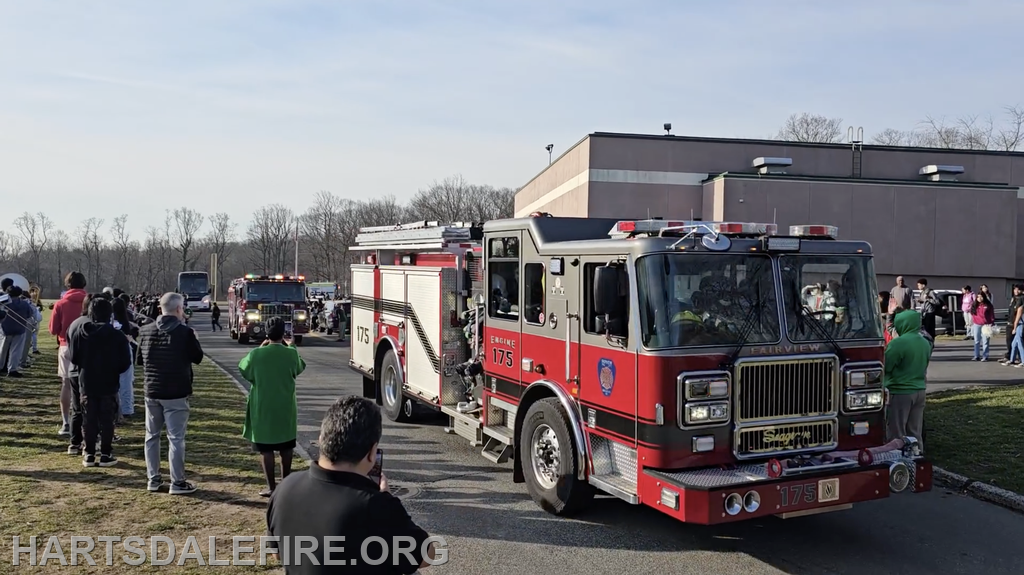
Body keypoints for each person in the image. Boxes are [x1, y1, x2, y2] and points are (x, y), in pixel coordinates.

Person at [265, 396, 437, 573]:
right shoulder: (376, 505)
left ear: (321, 440)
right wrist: (387, 500)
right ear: (372, 453)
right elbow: (427, 556)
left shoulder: (284, 489)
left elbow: (277, 554)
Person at [137, 292, 204, 494]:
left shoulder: (146, 330)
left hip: (152, 389)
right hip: (176, 391)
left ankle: (153, 478)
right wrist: (195, 339)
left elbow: (140, 360)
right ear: (178, 309)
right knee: (175, 439)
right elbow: (198, 357)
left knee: (152, 436)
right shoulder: (185, 333)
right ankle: (177, 481)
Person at [238, 317, 305, 497]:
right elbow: (298, 368)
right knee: (286, 448)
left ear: (266, 334)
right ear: (283, 334)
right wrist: (291, 346)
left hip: (263, 406)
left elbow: (244, 369)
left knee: (265, 448)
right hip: (285, 406)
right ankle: (286, 485)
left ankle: (271, 487)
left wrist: (260, 348)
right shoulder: (290, 353)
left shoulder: (256, 355)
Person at [68, 298, 131, 467]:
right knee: (107, 418)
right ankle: (105, 452)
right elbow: (126, 361)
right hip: (108, 379)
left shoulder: (80, 333)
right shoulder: (116, 335)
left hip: (87, 378)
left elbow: (73, 357)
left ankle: (88, 452)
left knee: (88, 416)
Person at [884, 310, 931, 452]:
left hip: (900, 392)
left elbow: (886, 366)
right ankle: (916, 456)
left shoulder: (898, 343)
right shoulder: (925, 342)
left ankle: (897, 460)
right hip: (919, 390)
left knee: (897, 431)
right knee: (915, 431)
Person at [49, 272, 89, 435]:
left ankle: (66, 422)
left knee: (66, 383)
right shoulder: (90, 301)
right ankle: (87, 421)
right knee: (87, 386)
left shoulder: (61, 303)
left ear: (67, 285)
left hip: (66, 345)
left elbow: (53, 329)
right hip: (89, 345)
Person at [112, 298, 140, 423]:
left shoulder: (111, 319)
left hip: (112, 349)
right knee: (126, 381)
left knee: (114, 382)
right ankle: (127, 408)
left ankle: (116, 408)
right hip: (125, 349)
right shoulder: (126, 318)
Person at [1, 286, 33, 378]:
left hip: (5, 329)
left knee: (2, 350)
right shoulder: (24, 304)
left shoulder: (4, 303)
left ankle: (1, 366)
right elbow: (29, 314)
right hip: (20, 328)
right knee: (16, 350)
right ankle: (12, 369)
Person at [970, 291, 997, 361]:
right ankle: (976, 355)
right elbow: (972, 313)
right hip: (977, 324)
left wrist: (992, 322)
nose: (979, 298)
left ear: (984, 297)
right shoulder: (974, 305)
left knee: (985, 341)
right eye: (978, 297)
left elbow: (992, 315)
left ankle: (985, 356)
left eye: (981, 297)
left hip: (986, 325)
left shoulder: (988, 305)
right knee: (977, 340)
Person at [1001, 284, 1024, 364]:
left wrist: (1015, 325)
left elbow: (1019, 313)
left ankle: (1021, 360)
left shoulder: (1021, 299)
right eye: (1015, 289)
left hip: (1019, 324)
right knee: (1012, 343)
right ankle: (1011, 358)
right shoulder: (1014, 298)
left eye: (1018, 289)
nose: (1016, 291)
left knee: (1019, 342)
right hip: (1011, 322)